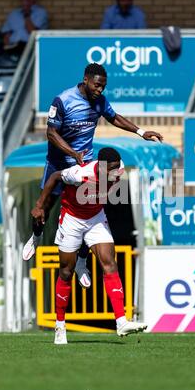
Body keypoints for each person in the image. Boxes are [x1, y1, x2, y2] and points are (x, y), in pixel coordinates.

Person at [22, 62, 163, 289]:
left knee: (89, 212)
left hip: (84, 163)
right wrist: (71, 152)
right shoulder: (63, 100)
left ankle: (81, 261)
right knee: (43, 209)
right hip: (59, 162)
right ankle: (36, 236)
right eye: (97, 85)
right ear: (85, 80)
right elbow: (50, 133)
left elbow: (114, 117)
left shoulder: (99, 101)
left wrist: (141, 132)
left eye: (104, 87)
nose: (100, 90)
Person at [31, 147, 147, 344]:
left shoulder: (118, 171)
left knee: (110, 263)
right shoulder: (79, 173)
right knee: (66, 272)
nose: (116, 172)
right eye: (111, 169)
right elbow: (54, 177)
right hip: (72, 219)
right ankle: (60, 326)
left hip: (95, 218)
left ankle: (121, 321)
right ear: (100, 167)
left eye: (117, 168)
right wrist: (40, 205)